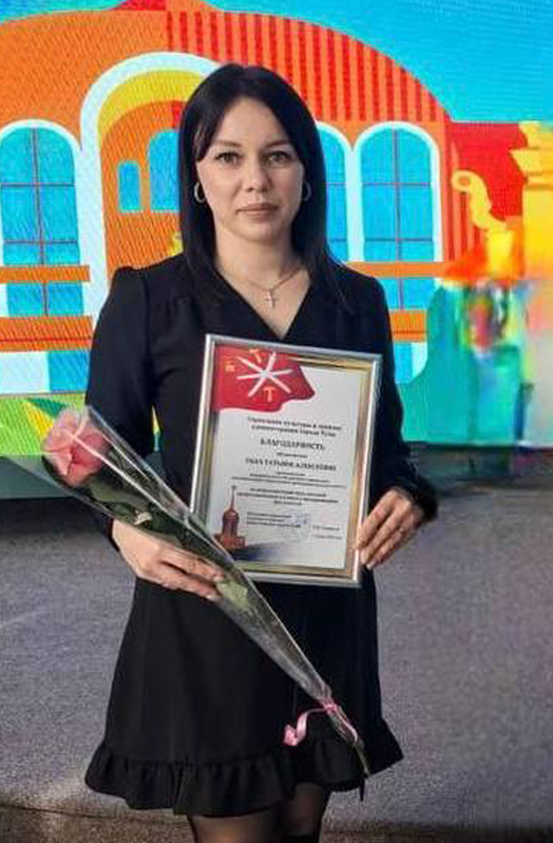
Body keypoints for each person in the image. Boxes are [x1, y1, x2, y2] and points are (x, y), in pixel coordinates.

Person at [83, 63, 437, 843]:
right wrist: (124, 530)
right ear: (196, 177)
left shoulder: (356, 302)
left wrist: (408, 497)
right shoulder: (148, 300)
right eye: (228, 157)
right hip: (209, 615)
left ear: (306, 173)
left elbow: (386, 455)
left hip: (326, 614)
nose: (255, 180)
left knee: (302, 823)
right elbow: (94, 455)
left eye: (277, 155)